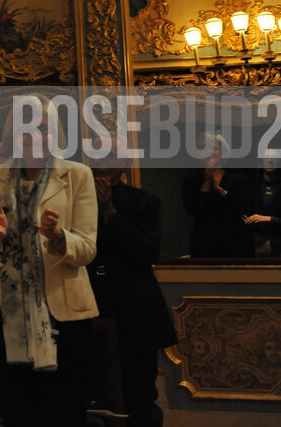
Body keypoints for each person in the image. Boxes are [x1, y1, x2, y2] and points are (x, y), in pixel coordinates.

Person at [0, 97, 98, 427]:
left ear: (56, 134)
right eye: (26, 130)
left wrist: (57, 237)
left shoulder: (78, 175)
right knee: (18, 409)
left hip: (63, 312)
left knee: (65, 409)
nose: (35, 136)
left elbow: (88, 248)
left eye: (43, 128)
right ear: (12, 135)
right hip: (4, 312)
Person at [88, 161, 177, 427]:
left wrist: (109, 212)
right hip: (90, 307)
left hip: (134, 313)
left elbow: (146, 251)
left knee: (139, 397)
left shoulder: (144, 201)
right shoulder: (74, 200)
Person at [181, 132, 254, 258]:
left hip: (235, 244)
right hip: (204, 245)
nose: (210, 153)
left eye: (214, 148)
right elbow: (194, 210)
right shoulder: (190, 182)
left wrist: (220, 190)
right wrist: (207, 182)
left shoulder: (239, 180)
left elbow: (245, 208)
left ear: (222, 153)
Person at [244, 149, 281, 256]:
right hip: (253, 240)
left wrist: (270, 219)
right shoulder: (253, 187)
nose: (270, 160)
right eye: (267, 157)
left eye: (274, 157)